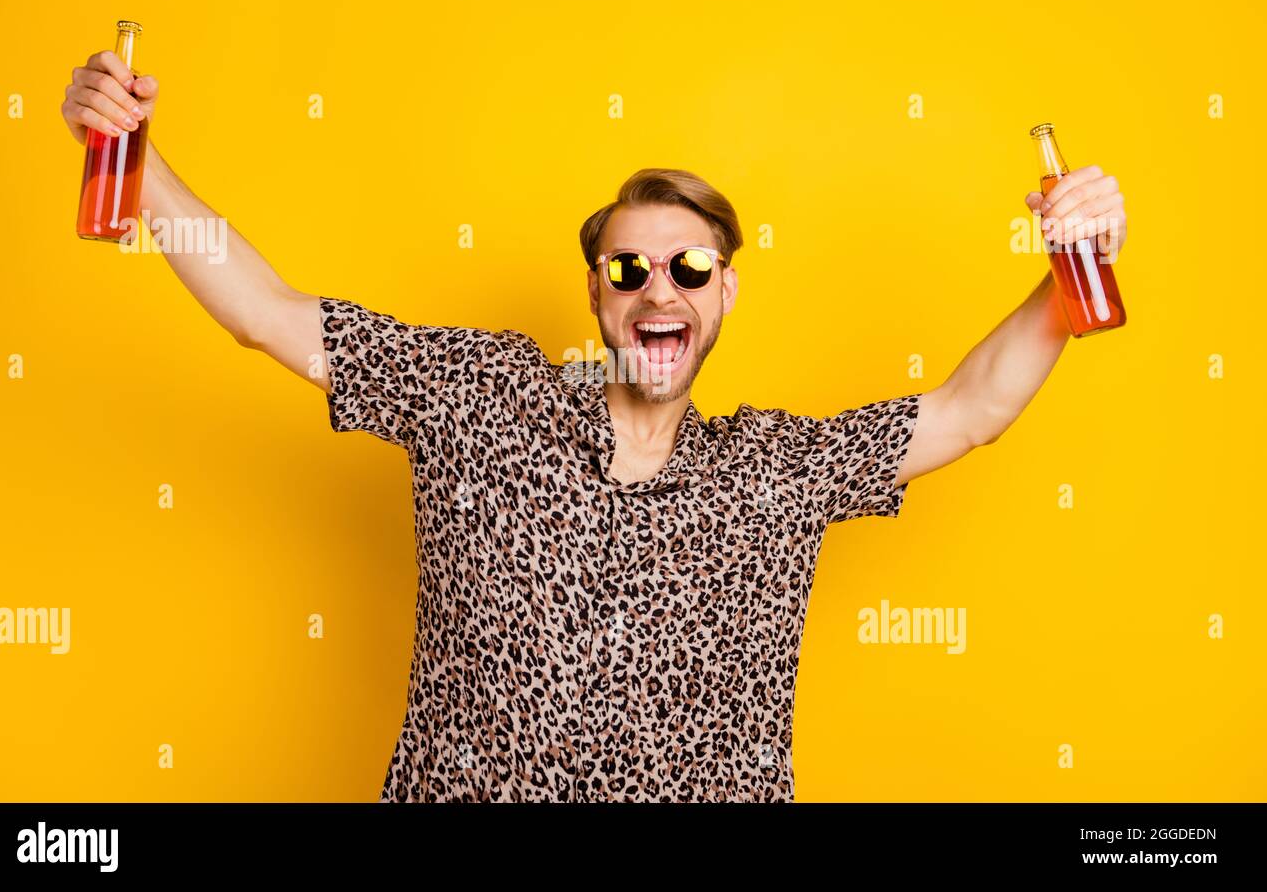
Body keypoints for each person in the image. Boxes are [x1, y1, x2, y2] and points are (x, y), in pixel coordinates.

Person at [61, 49, 1129, 802]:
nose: (657, 286)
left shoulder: (776, 468)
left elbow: (970, 408)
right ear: (595, 292)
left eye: (689, 266)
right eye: (629, 266)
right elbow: (271, 317)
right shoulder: (480, 395)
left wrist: (1066, 276)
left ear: (725, 293)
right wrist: (139, 162)